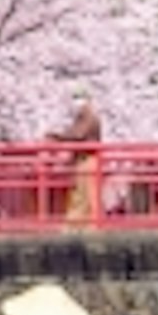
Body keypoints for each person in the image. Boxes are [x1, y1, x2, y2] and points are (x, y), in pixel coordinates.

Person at [59, 94, 105, 225]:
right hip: (84, 160)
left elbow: (78, 134)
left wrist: (59, 137)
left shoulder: (88, 116)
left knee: (88, 195)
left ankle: (88, 226)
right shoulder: (84, 116)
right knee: (81, 195)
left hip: (88, 160)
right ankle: (78, 225)